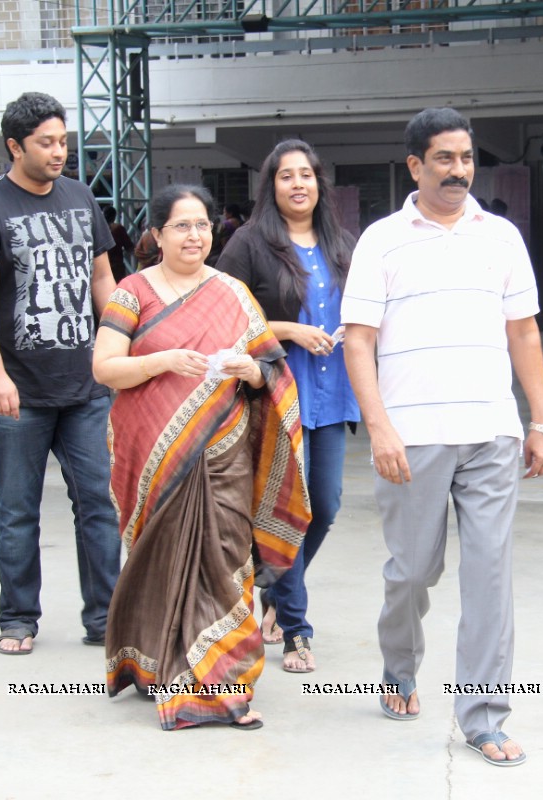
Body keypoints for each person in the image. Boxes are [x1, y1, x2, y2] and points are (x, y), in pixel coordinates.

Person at [342, 107, 543, 768]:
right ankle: (399, 666)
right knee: (414, 571)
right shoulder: (381, 240)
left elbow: (524, 332)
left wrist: (540, 420)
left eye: (466, 158)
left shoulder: (501, 238)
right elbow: (358, 341)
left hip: (490, 431)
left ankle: (484, 714)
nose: (459, 170)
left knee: (490, 574)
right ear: (415, 165)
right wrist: (379, 429)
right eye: (445, 159)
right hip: (413, 438)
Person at [91, 184, 310, 731]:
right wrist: (163, 359)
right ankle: (159, 666)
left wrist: (251, 372)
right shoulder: (131, 293)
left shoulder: (234, 293)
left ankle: (224, 686)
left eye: (203, 225)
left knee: (223, 561)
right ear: (158, 234)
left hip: (224, 452)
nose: (195, 236)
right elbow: (105, 368)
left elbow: (270, 372)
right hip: (152, 456)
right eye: (182, 226)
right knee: (161, 563)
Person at [0, 92, 122, 656]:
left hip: (85, 386)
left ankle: (106, 617)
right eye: (46, 143)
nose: (58, 152)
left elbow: (104, 282)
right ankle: (18, 618)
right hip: (17, 393)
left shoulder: (79, 197)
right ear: (14, 146)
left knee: (98, 501)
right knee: (18, 509)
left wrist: (121, 348)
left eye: (63, 141)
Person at [218, 139, 359, 672]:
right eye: (286, 176)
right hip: (276, 394)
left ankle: (274, 591)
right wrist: (289, 329)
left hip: (332, 391)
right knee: (287, 511)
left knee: (324, 505)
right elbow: (224, 315)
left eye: (307, 174)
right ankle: (298, 630)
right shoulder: (249, 243)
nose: (298, 184)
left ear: (320, 183)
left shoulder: (342, 243)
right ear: (270, 186)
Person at [102, 205, 135, 283]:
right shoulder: (118, 229)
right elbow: (129, 247)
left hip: (100, 269)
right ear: (114, 217)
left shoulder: (96, 229)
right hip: (116, 268)